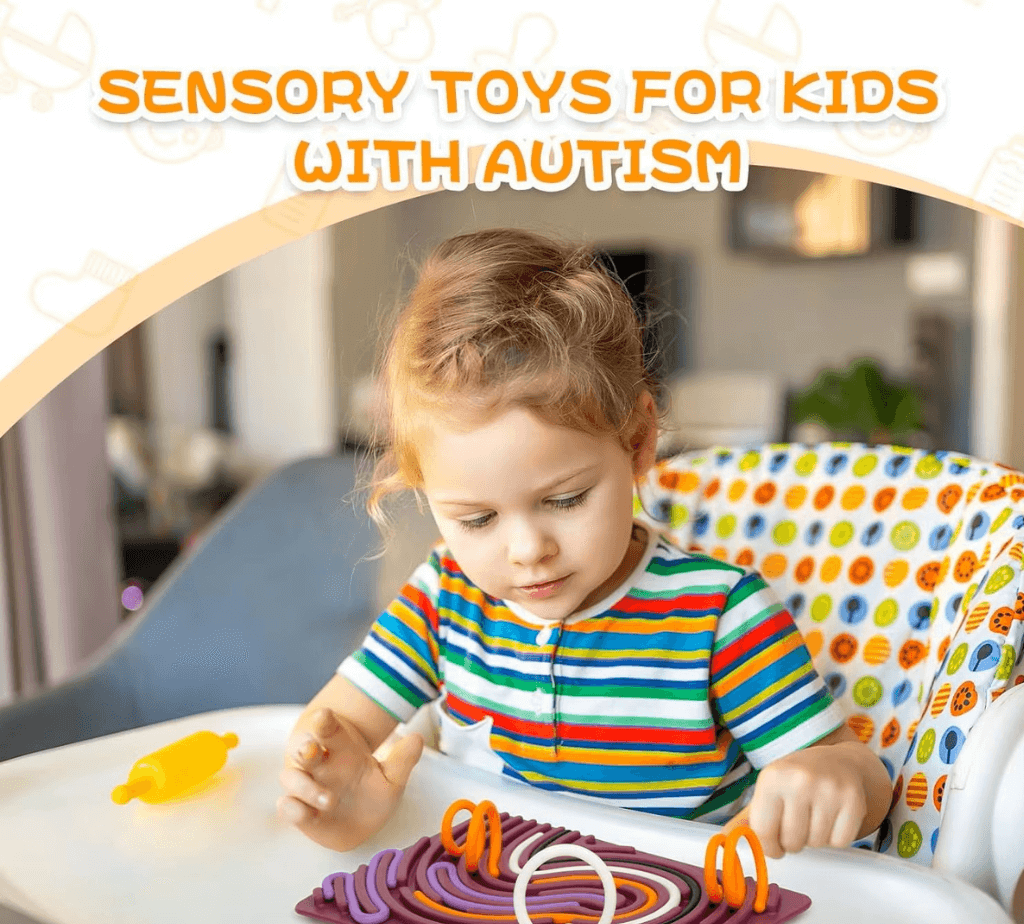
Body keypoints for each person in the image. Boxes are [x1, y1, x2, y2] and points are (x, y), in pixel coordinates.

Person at [277, 227, 892, 859]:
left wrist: (833, 776)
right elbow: (337, 729)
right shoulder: (442, 598)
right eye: (476, 519)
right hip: (473, 913)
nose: (527, 550)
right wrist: (339, 804)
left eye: (565, 499)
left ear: (639, 440)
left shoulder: (718, 615)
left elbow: (862, 779)